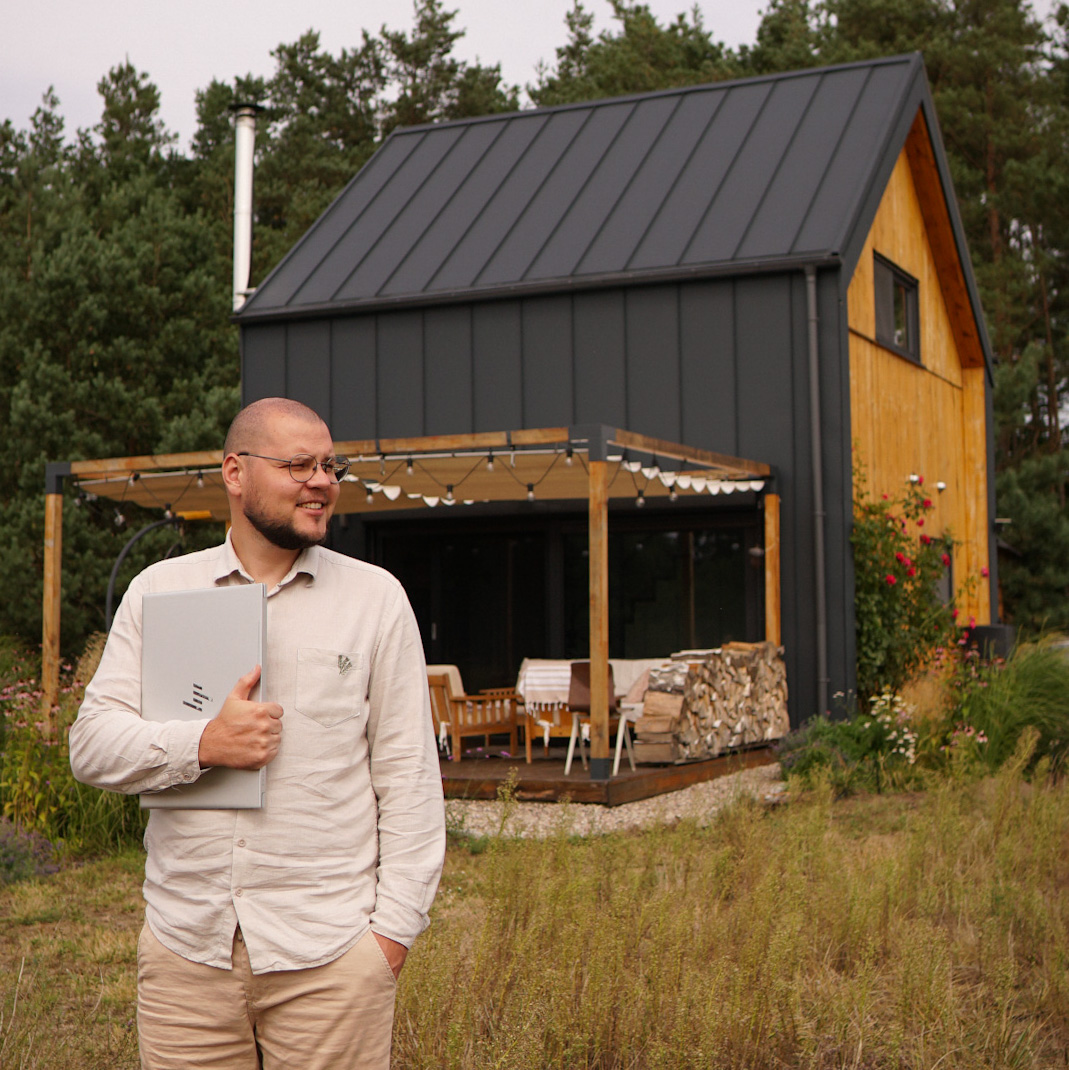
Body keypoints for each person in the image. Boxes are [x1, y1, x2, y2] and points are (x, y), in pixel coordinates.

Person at [70, 397, 446, 1070]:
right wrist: (203, 745)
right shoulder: (162, 591)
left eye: (330, 466)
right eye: (299, 465)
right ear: (235, 473)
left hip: (331, 962)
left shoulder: (374, 600)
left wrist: (389, 939)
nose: (322, 481)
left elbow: (410, 780)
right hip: (187, 960)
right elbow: (91, 746)